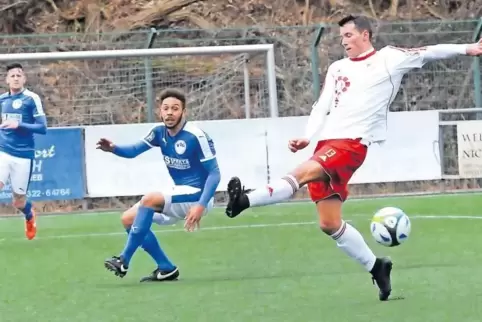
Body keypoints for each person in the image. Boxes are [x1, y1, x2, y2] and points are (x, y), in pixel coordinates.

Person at [224, 15, 482, 301]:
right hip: (326, 144)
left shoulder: (389, 58)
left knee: (300, 174)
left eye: (348, 35)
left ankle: (245, 200)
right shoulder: (337, 68)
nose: (343, 41)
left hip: (352, 145)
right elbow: (321, 106)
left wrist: (468, 49)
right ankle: (377, 267)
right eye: (341, 37)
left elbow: (429, 51)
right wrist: (308, 136)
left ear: (365, 35)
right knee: (329, 223)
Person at [97, 88, 221, 282]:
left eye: (175, 108)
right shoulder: (158, 132)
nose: (170, 112)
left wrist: (201, 205)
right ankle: (166, 268)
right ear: (160, 111)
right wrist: (113, 149)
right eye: (166, 108)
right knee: (128, 219)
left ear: (183, 112)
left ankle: (123, 260)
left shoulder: (196, 136)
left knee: (149, 200)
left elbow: (215, 174)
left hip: (199, 196)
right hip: (181, 194)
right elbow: (133, 151)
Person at [0, 63, 47, 240]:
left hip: (23, 155)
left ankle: (29, 215)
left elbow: (43, 128)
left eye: (19, 75)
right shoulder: (2, 100)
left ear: (24, 79)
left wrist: (18, 124)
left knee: (18, 201)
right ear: (6, 80)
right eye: (12, 75)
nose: (16, 78)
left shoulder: (31, 98)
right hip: (3, 151)